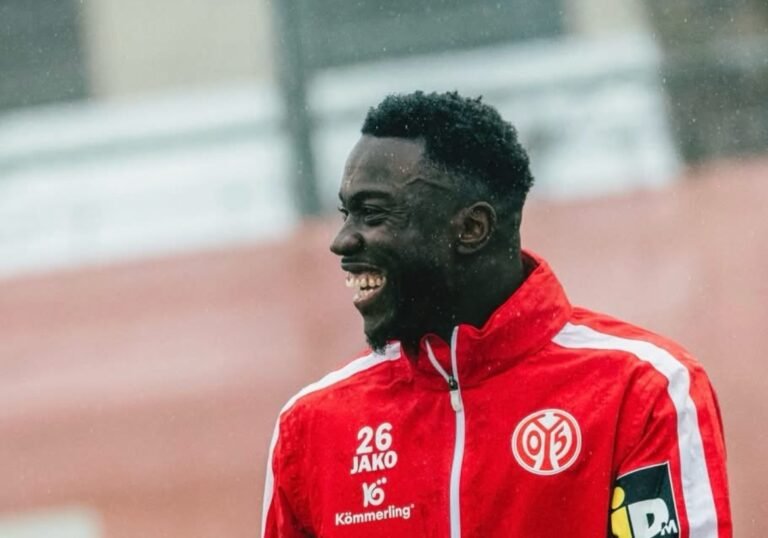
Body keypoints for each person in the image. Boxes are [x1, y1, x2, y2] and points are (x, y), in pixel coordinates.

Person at [261, 91, 731, 537]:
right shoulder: (310, 426)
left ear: (472, 228)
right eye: (346, 213)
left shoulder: (642, 389)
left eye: (373, 214)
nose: (342, 241)